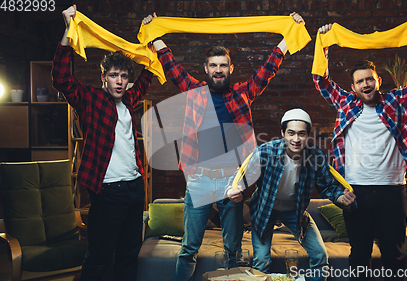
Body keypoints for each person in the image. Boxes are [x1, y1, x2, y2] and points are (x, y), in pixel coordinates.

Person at [142, 12, 305, 281]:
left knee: (233, 249)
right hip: (200, 181)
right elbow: (172, 68)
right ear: (206, 69)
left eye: (223, 65)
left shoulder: (242, 93)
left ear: (230, 69)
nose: (219, 70)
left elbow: (267, 71)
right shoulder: (194, 91)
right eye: (214, 65)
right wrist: (155, 35)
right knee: (189, 249)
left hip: (232, 181)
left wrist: (289, 36)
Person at [312, 21, 407, 279]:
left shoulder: (397, 100)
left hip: (392, 191)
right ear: (353, 87)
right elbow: (320, 80)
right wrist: (323, 44)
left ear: (378, 80)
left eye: (370, 79)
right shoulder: (345, 102)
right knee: (359, 254)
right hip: (355, 191)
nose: (366, 84)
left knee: (393, 255)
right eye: (360, 81)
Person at [52, 5, 153, 281]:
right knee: (99, 258)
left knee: (128, 256)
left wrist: (152, 34)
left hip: (134, 189)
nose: (119, 81)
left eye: (123, 76)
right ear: (103, 78)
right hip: (108, 192)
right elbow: (61, 79)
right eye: (113, 75)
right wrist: (67, 33)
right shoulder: (91, 99)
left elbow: (150, 71)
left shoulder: (131, 99)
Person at [227, 108, 356, 281]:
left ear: (308, 135)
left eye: (301, 134)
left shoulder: (316, 156)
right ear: (282, 133)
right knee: (261, 261)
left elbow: (328, 186)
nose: (296, 139)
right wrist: (232, 190)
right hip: (264, 211)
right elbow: (242, 177)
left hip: (295, 212)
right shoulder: (265, 152)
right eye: (291, 133)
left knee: (320, 255)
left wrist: (340, 197)